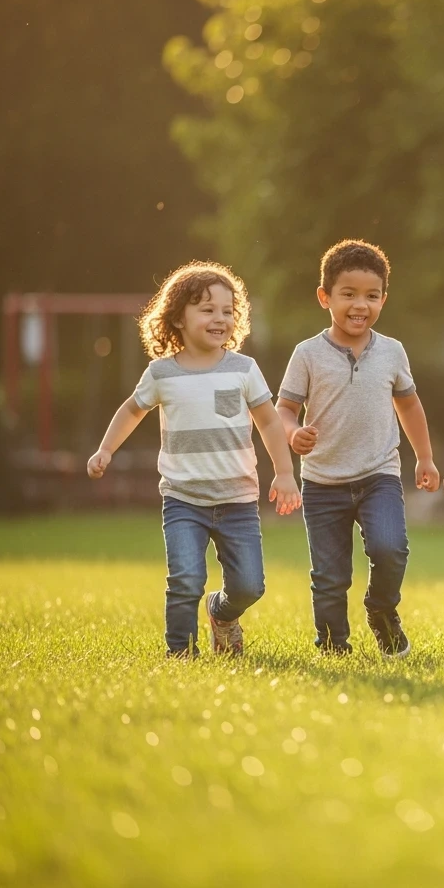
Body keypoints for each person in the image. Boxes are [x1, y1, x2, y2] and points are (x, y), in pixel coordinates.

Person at [87, 261, 301, 657]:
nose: (220, 318)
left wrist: (285, 472)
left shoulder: (243, 369)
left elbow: (270, 422)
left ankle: (221, 613)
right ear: (178, 318)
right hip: (183, 499)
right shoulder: (162, 373)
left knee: (249, 585)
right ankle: (180, 653)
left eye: (227, 310)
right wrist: (106, 449)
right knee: (185, 579)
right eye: (207, 309)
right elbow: (132, 411)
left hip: (237, 499)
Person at [276, 239, 439, 657]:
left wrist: (424, 457)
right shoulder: (308, 354)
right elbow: (285, 409)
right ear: (325, 296)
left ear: (384, 298)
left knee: (391, 549)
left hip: (378, 474)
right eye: (348, 294)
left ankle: (381, 610)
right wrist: (293, 433)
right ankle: (333, 645)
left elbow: (409, 404)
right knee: (329, 576)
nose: (359, 305)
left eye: (371, 295)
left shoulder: (392, 351)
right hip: (322, 481)